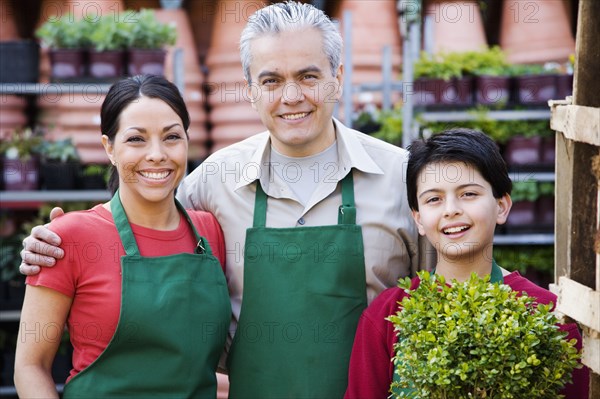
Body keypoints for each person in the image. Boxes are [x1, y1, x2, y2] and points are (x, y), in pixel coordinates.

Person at [19, 2, 426, 397]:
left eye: (308, 76)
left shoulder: (401, 177)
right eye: (270, 81)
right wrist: (50, 245)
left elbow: (450, 292)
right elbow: (143, 215)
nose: (291, 96)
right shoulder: (213, 182)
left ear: (338, 76)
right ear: (249, 90)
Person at [14, 75, 231, 398]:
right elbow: (30, 367)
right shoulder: (67, 238)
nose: (157, 154)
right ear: (109, 148)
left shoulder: (211, 231)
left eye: (172, 137)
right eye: (136, 139)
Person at [344, 128, 589, 399]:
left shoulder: (548, 315)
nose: (451, 210)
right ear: (418, 219)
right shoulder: (388, 315)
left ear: (502, 206)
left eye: (468, 194)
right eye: (434, 199)